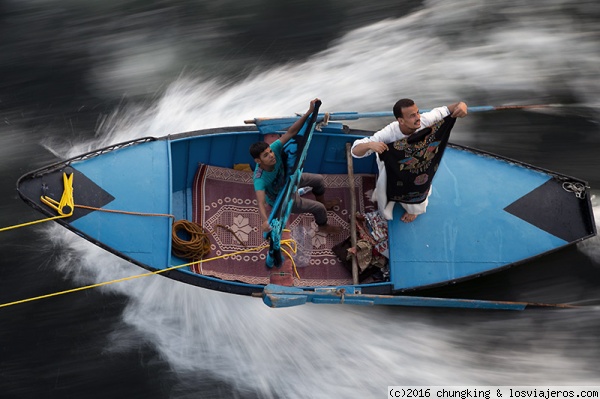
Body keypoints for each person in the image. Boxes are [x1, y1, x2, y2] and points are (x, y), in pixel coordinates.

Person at [351, 98, 468, 222]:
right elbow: (355, 151)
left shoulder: (425, 120)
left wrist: (462, 105)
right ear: (400, 120)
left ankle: (414, 210)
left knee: (420, 185)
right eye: (412, 116)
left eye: (417, 112)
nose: (418, 117)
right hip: (395, 168)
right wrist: (370, 145)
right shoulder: (389, 133)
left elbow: (449, 109)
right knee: (386, 190)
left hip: (420, 165)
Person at [249, 98, 340, 235]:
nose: (272, 156)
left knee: (319, 180)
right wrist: (264, 221)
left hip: (291, 178)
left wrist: (309, 112)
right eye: (266, 156)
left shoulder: (275, 148)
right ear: (258, 161)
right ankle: (323, 225)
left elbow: (291, 132)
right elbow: (261, 203)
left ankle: (324, 202)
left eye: (270, 152)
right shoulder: (260, 179)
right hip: (284, 195)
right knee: (319, 208)